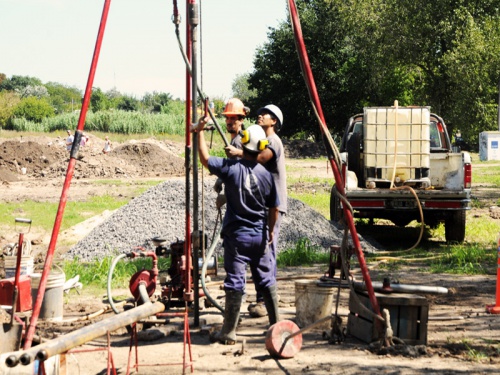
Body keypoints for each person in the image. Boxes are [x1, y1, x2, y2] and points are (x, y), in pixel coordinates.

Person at [197, 117, 280, 345]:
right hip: (260, 237)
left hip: (237, 238)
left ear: (242, 143)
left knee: (235, 282)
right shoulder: (266, 176)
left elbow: (204, 158)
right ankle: (278, 327)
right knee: (266, 281)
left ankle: (229, 331)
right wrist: (270, 232)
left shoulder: (231, 168)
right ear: (261, 147)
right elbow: (274, 208)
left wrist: (199, 132)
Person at [248, 104, 287, 318]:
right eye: (260, 112)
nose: (260, 115)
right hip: (266, 203)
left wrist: (239, 153)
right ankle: (266, 294)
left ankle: (264, 299)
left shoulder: (273, 141)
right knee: (264, 249)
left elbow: (261, 158)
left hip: (274, 205)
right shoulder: (263, 140)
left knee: (266, 249)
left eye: (266, 114)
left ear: (274, 121)